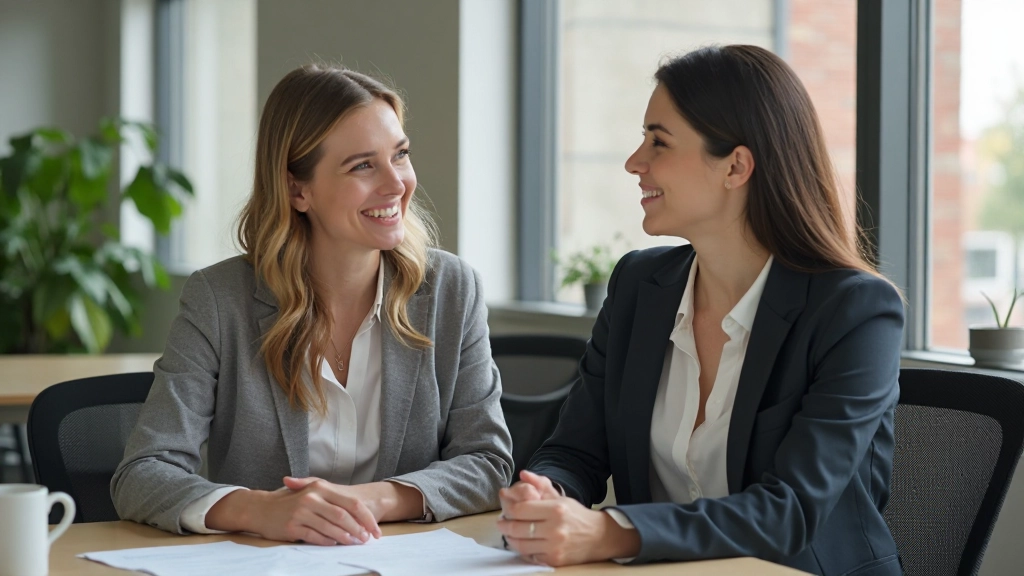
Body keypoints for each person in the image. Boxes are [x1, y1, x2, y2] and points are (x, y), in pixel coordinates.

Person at [496, 45, 904, 576]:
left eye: (658, 142)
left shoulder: (855, 311)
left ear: (735, 166)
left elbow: (791, 511)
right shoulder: (639, 285)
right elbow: (575, 451)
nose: (633, 162)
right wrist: (547, 492)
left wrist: (610, 531)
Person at [111, 64, 513, 546]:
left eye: (399, 155)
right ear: (298, 189)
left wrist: (372, 500)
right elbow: (142, 473)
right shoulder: (220, 300)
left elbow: (489, 464)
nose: (396, 184)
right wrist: (261, 510)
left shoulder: (451, 290)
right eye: (363, 165)